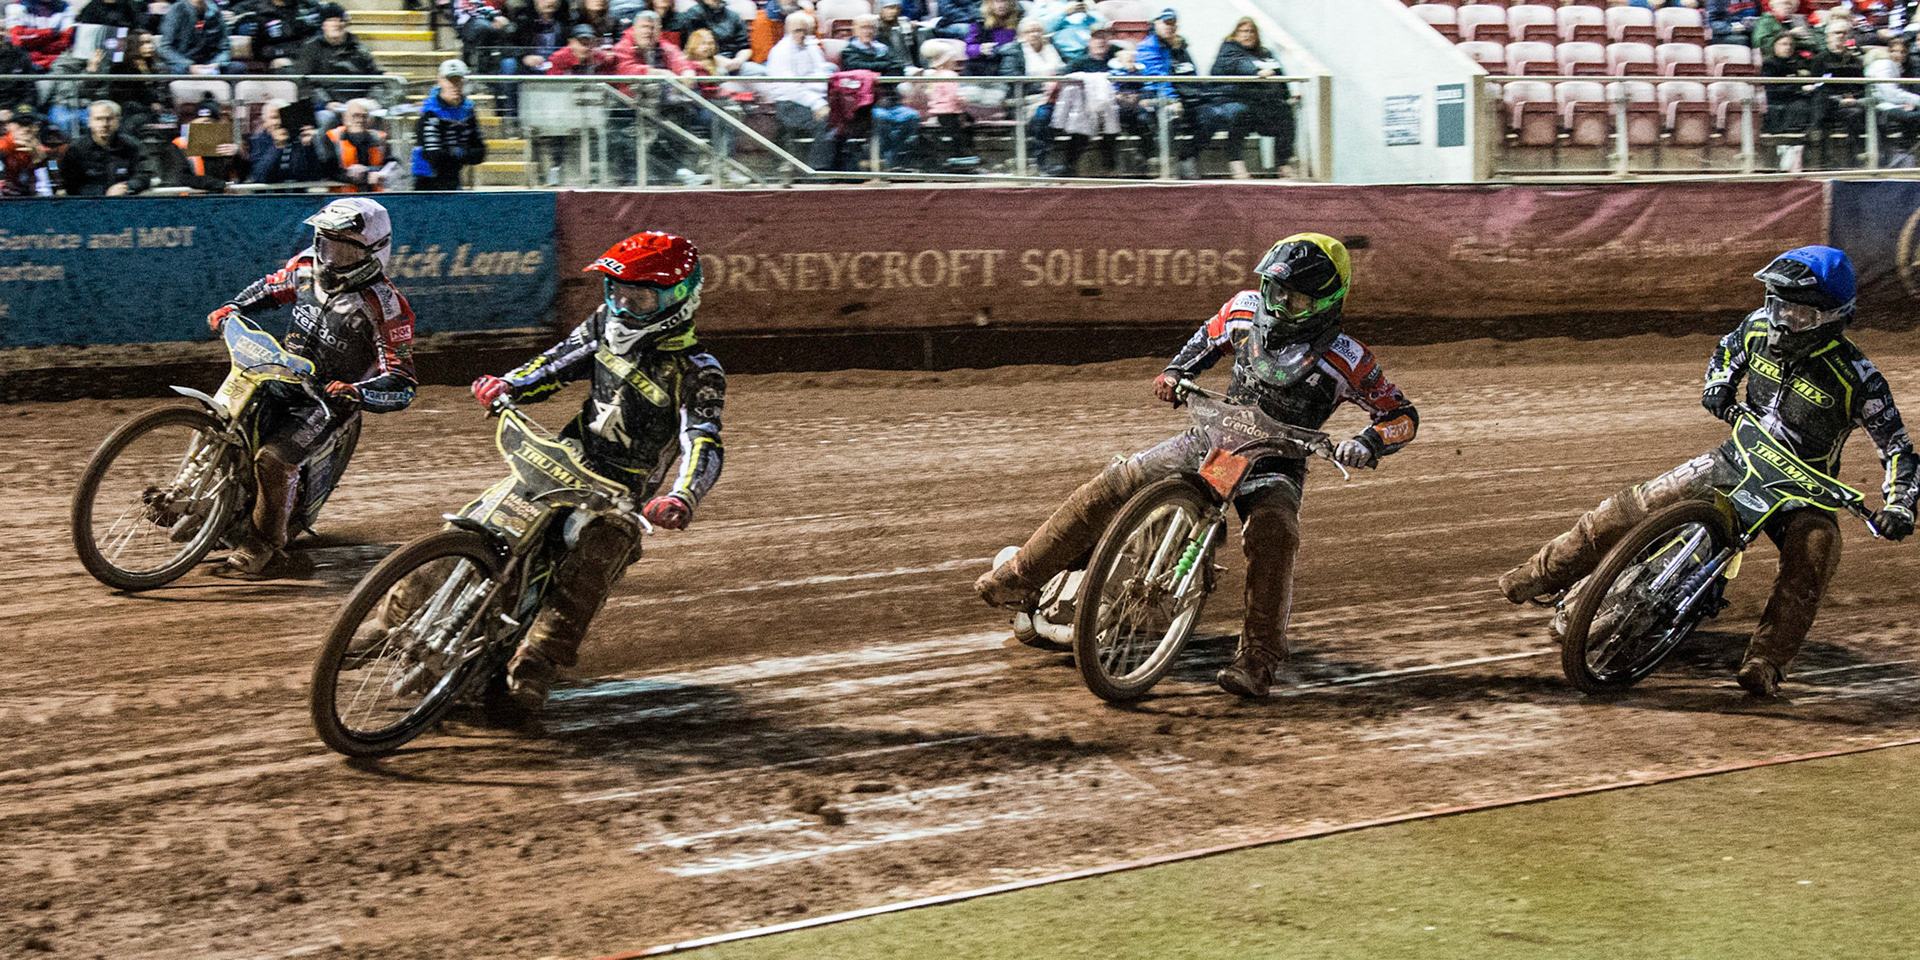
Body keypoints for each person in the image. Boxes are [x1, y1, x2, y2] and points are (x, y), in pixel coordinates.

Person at [976, 234, 1420, 697]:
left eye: (1295, 298)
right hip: (1217, 440)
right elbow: (1206, 338)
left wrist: (1368, 443)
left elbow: (1401, 416)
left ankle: (1259, 659)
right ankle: (1020, 576)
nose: (1280, 303)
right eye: (1275, 290)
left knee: (1275, 535)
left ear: (1327, 303)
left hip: (1276, 462)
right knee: (1117, 482)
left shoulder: (1347, 358)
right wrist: (1175, 372)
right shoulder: (1247, 309)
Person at [1500, 246, 1915, 697]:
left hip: (1803, 491)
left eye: (1798, 315)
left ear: (1833, 319)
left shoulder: (1860, 379)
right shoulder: (1756, 328)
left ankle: (1766, 662)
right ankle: (1541, 572)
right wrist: (1718, 385)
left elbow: (1896, 448)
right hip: (1736, 457)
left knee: (1814, 557)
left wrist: (1900, 505)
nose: (1780, 322)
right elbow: (1726, 352)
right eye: (1776, 306)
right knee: (1634, 505)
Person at [468, 231, 725, 715]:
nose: (624, 304)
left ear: (678, 300)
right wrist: (510, 384)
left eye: (639, 295)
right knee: (481, 520)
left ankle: (534, 671)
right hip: (562, 458)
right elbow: (557, 363)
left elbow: (702, 440)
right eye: (616, 291)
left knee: (596, 557)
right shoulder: (603, 323)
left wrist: (682, 497)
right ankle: (393, 612)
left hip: (623, 491)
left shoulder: (697, 369)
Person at [204, 198, 417, 576]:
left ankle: (266, 543)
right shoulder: (305, 267)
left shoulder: (386, 308)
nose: (330, 258)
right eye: (325, 244)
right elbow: (270, 288)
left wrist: (358, 392)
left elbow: (403, 383)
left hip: (326, 401)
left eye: (344, 249)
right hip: (279, 374)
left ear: (375, 252)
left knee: (272, 460)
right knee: (219, 421)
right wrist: (232, 308)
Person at [1208, 16, 1292, 180]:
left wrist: (1285, 96)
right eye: (1244, 31)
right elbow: (1241, 64)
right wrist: (1256, 72)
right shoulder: (1229, 49)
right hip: (1230, 99)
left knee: (1285, 112)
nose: (1248, 35)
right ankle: (1235, 161)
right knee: (1240, 113)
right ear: (1236, 33)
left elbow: (1279, 74)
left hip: (1258, 102)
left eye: (1252, 32)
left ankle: (1283, 163)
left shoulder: (1265, 53)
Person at [839, 13, 920, 171]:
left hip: (890, 102)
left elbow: (898, 69)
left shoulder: (883, 48)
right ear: (855, 30)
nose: (868, 31)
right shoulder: (848, 52)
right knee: (881, 119)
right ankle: (879, 162)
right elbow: (857, 67)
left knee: (911, 118)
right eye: (864, 27)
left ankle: (892, 161)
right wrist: (884, 67)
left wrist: (875, 69)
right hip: (864, 107)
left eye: (871, 27)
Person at [1135, 7, 1206, 178]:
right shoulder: (1147, 46)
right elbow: (1157, 78)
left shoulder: (1177, 46)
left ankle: (1186, 157)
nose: (1170, 27)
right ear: (1156, 24)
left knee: (1212, 116)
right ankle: (1167, 166)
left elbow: (1191, 73)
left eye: (1173, 23)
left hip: (1181, 96)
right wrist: (1173, 99)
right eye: (1166, 23)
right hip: (1154, 96)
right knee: (1169, 115)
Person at [764, 11, 835, 171]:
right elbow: (790, 87)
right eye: (797, 31)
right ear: (787, 30)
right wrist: (817, 103)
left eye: (805, 30)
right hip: (789, 104)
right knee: (825, 119)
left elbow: (822, 74)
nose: (802, 35)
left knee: (843, 113)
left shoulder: (812, 47)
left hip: (817, 98)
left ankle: (840, 167)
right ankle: (818, 171)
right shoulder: (780, 51)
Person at [293, 4, 384, 118]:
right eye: (331, 20)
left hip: (359, 105)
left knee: (379, 116)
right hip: (325, 106)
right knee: (326, 118)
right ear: (323, 25)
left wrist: (373, 100)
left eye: (340, 20)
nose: (336, 24)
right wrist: (326, 103)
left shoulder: (359, 49)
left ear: (345, 24)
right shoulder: (311, 49)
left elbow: (378, 80)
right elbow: (303, 82)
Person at [411, 58, 486, 189]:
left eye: (458, 80)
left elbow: (479, 152)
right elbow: (434, 156)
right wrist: (463, 154)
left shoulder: (467, 111)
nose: (454, 85)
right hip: (427, 178)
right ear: (440, 81)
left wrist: (454, 154)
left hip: (453, 176)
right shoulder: (430, 111)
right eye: (450, 80)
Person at [60, 99, 146, 194]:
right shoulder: (76, 149)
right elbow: (71, 185)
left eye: (109, 119)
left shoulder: (131, 145)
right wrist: (105, 193)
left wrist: (127, 187)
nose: (104, 124)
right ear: (89, 122)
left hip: (124, 201)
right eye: (98, 119)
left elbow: (144, 175)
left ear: (118, 121)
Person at [320, 97, 393, 190]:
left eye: (364, 116)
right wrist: (363, 177)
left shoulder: (380, 138)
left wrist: (381, 173)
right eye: (355, 115)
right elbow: (330, 171)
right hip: (343, 198)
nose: (360, 120)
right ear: (345, 118)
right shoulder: (332, 137)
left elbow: (392, 164)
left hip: (374, 196)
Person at [247, 98, 325, 183]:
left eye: (283, 117)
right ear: (265, 121)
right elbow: (260, 176)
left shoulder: (299, 139)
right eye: (274, 117)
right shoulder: (257, 141)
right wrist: (277, 147)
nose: (279, 122)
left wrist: (309, 147)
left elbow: (316, 175)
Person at [156, 0, 236, 73]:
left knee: (237, 67)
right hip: (183, 63)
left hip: (211, 63)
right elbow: (166, 48)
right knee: (171, 70)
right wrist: (189, 66)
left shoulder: (215, 11)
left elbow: (224, 48)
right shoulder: (176, 11)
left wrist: (217, 63)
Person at [671, 0, 750, 69]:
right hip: (707, 61)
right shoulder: (694, 14)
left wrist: (738, 61)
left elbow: (745, 46)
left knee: (757, 71)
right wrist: (724, 62)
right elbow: (695, 48)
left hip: (735, 62)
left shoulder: (734, 16)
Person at [0, 108, 57, 196]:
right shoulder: (2, 147)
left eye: (30, 124)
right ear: (8, 126)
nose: (26, 129)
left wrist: (38, 161)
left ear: (37, 127)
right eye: (20, 124)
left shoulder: (44, 152)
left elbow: (47, 192)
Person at [6, 0, 74, 69]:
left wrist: (36, 46)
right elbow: (18, 39)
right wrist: (50, 33)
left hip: (57, 61)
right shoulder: (17, 6)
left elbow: (66, 42)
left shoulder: (66, 7)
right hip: (26, 62)